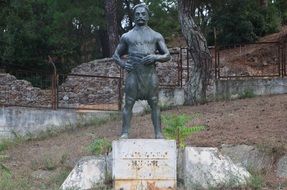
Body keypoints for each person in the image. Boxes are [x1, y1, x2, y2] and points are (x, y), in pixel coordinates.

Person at [113, 3, 171, 139]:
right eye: (137, 14)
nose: (140, 16)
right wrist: (123, 64)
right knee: (128, 103)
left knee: (155, 103)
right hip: (133, 74)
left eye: (143, 14)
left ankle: (158, 133)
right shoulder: (127, 36)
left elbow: (167, 55)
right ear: (134, 17)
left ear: (148, 16)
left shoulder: (156, 36)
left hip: (150, 75)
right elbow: (116, 55)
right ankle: (125, 133)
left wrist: (155, 56)